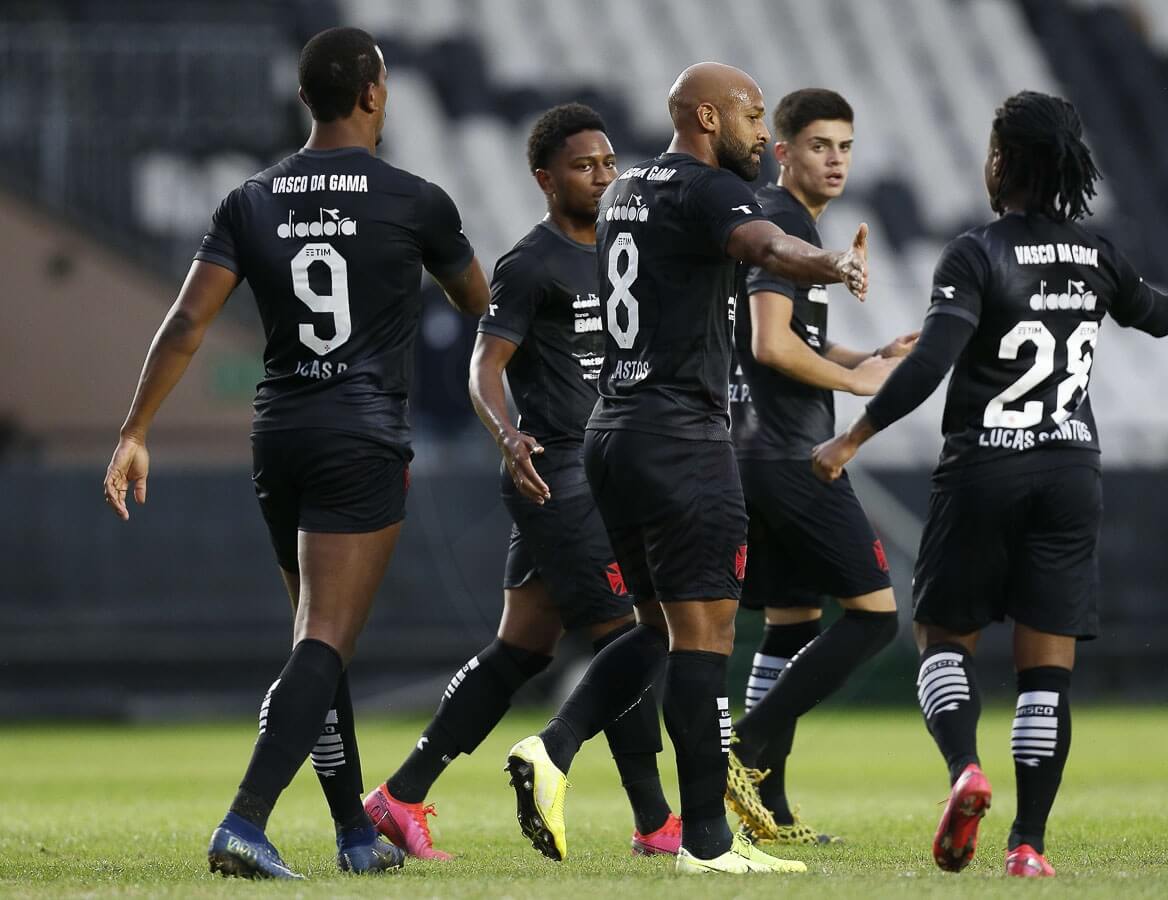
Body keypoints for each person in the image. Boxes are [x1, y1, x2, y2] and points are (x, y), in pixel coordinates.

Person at [811, 90, 1168, 878]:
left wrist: (852, 437)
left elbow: (932, 362)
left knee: (943, 638)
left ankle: (965, 772)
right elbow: (1158, 313)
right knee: (1046, 672)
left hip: (984, 467)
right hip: (1072, 471)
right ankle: (1029, 845)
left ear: (1001, 161)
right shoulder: (1096, 254)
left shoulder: (975, 254)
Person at [100, 27, 489, 879]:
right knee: (323, 640)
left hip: (279, 432)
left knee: (320, 637)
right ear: (375, 94)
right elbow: (476, 297)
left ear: (306, 99)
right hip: (361, 432)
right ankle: (245, 820)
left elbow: (186, 323)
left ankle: (354, 835)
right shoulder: (414, 198)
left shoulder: (250, 198)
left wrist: (134, 431)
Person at [504, 62, 868, 875]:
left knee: (658, 631)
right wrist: (828, 264)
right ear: (707, 116)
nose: (758, 129)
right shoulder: (710, 191)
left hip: (613, 432)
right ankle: (706, 839)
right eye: (749, 114)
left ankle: (553, 746)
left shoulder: (629, 186)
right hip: (682, 437)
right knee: (704, 638)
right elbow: (762, 243)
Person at [363, 103, 680, 860]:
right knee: (629, 638)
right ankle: (656, 823)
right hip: (558, 473)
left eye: (608, 164)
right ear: (545, 178)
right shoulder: (531, 262)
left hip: (606, 470)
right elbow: (485, 366)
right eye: (583, 166)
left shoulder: (623, 251)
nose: (601, 178)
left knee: (521, 651)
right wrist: (508, 438)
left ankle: (400, 795)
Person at [724, 88, 912, 846]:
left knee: (793, 623)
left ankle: (768, 808)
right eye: (819, 146)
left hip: (749, 447)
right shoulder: (784, 228)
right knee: (875, 618)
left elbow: (782, 341)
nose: (835, 159)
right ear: (784, 151)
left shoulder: (771, 227)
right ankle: (739, 753)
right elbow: (771, 345)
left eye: (845, 147)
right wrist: (858, 382)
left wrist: (869, 356)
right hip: (788, 453)